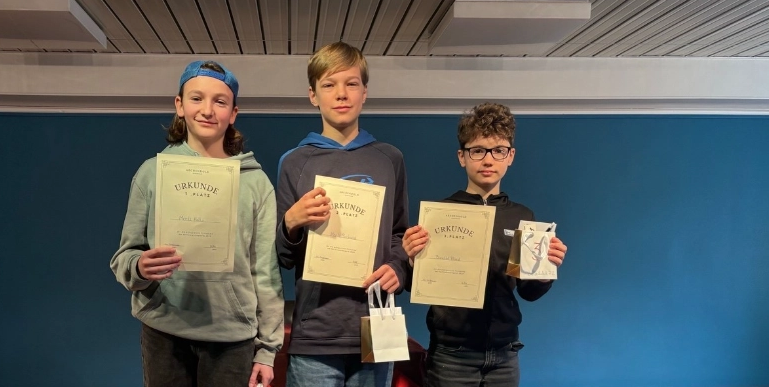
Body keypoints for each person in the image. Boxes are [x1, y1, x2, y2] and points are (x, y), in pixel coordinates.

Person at [110, 60, 284, 387]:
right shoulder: (151, 173)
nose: (207, 110)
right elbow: (125, 257)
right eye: (196, 98)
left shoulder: (256, 183)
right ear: (179, 105)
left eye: (220, 101)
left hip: (232, 337)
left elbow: (265, 270)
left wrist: (267, 350)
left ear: (233, 113)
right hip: (164, 330)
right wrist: (140, 267)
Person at [402, 102, 568, 387]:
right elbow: (416, 283)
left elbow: (528, 292)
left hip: (505, 355)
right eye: (477, 150)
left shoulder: (522, 217)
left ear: (510, 156)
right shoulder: (439, 215)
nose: (488, 160)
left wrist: (545, 273)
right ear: (462, 157)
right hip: (451, 356)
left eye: (498, 150)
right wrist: (411, 260)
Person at [275, 41, 411, 387]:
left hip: (377, 327)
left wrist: (398, 268)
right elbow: (282, 257)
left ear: (365, 92)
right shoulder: (294, 162)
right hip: (316, 334)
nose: (341, 94)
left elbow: (398, 234)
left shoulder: (390, 158)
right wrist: (290, 223)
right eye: (329, 84)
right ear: (313, 95)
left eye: (351, 83)